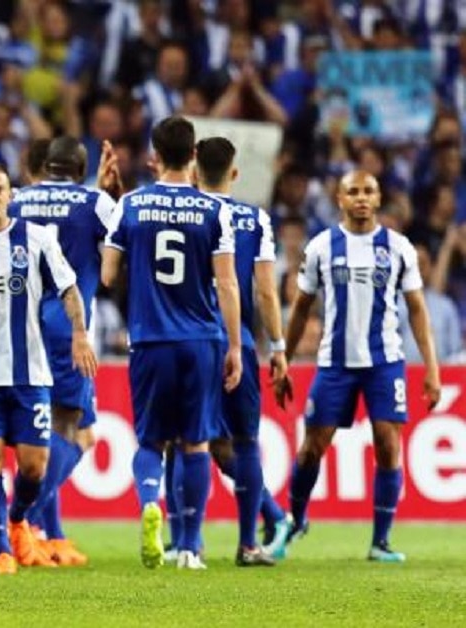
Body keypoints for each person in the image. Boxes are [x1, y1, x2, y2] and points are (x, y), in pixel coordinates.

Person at [101, 116, 242, 570]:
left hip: (150, 339)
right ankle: (190, 548)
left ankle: (149, 502)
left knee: (151, 442)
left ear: (155, 156)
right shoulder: (215, 210)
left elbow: (107, 275)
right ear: (194, 155)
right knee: (196, 444)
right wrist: (236, 346)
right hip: (201, 339)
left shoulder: (130, 205)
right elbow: (227, 284)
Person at [282, 170, 442, 563]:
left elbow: (417, 309)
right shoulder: (321, 246)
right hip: (334, 363)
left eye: (368, 191)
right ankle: (295, 520)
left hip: (384, 362)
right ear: (340, 199)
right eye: (352, 192)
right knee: (311, 448)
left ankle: (380, 541)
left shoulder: (398, 247)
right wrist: (283, 358)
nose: (361, 198)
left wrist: (432, 368)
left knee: (388, 444)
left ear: (379, 197)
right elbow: (301, 308)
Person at [0, 161, 97, 575]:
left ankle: (17, 521)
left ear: (11, 195)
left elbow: (68, 288)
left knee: (34, 466)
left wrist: (80, 334)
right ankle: (3, 552)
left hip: (30, 372)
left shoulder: (37, 238)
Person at [9, 136, 117, 567]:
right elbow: (120, 249)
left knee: (59, 430)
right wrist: (111, 195)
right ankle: (24, 520)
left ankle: (48, 533)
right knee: (69, 428)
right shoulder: (95, 203)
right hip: (68, 327)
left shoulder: (16, 200)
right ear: (81, 168)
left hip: (20, 324)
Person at [192, 137, 291, 566]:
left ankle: (187, 543)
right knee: (245, 442)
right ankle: (250, 542)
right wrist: (279, 348)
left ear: (194, 170)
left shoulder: (185, 212)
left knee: (187, 441)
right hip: (241, 342)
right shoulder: (256, 219)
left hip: (191, 338)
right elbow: (266, 291)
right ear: (234, 172)